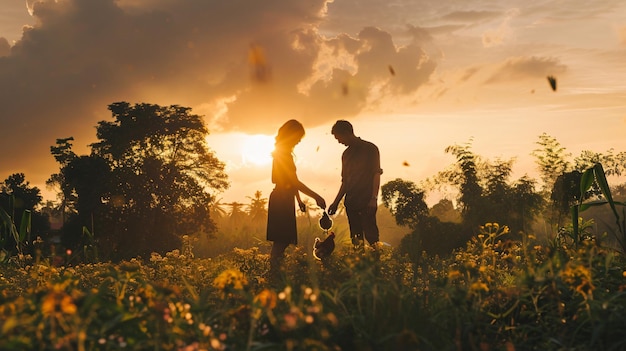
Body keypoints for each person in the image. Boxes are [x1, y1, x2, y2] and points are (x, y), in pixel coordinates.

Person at [267, 120, 326, 277]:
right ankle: (274, 273)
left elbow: (290, 182)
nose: (299, 141)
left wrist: (299, 200)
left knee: (282, 239)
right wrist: (316, 196)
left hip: (284, 197)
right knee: (281, 240)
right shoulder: (283, 155)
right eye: (298, 137)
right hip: (281, 199)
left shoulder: (282, 153)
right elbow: (293, 182)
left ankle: (275, 271)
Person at [327, 120, 382, 248]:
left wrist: (373, 199)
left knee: (372, 237)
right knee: (356, 240)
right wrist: (335, 203)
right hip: (351, 203)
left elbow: (376, 174)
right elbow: (345, 182)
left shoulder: (370, 149)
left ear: (346, 133)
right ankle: (360, 267)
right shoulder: (346, 155)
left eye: (339, 138)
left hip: (367, 201)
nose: (339, 142)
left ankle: (377, 266)